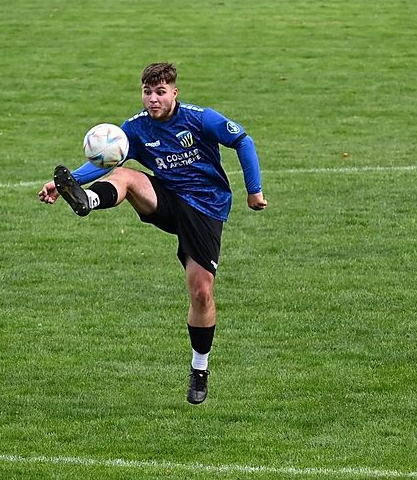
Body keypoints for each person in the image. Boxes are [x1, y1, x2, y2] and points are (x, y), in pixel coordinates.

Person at [38, 63, 267, 405]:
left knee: (202, 292)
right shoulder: (135, 128)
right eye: (147, 92)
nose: (153, 99)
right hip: (167, 200)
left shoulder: (200, 118)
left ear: (174, 92)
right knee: (127, 176)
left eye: (160, 92)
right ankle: (88, 200)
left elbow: (242, 140)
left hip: (206, 209)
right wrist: (65, 182)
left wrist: (254, 190)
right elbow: (105, 160)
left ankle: (199, 369)